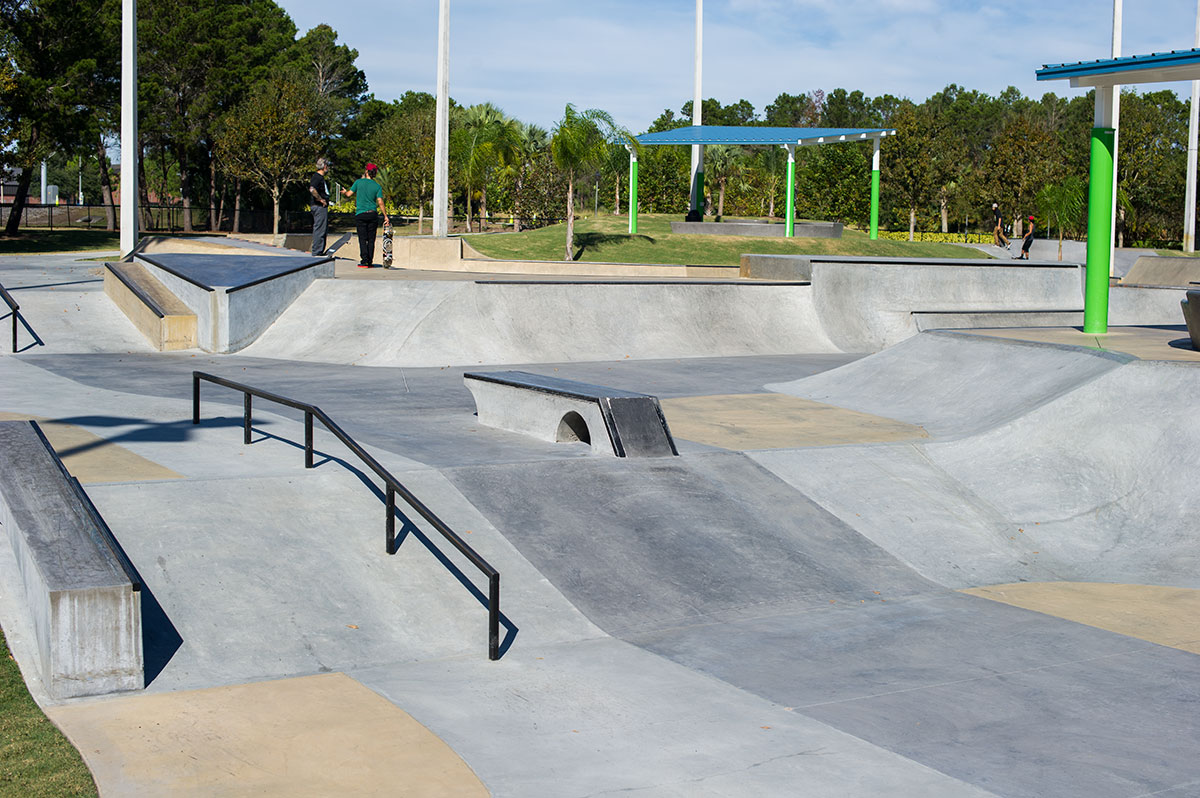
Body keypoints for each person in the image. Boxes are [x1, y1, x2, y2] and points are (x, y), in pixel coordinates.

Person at [341, 163, 387, 268]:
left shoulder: (358, 182)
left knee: (362, 238)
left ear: (366, 171)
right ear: (374, 174)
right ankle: (370, 261)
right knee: (371, 239)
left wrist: (344, 192)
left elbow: (349, 194)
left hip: (361, 214)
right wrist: (385, 216)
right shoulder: (377, 186)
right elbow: (380, 202)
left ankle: (364, 260)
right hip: (372, 214)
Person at [309, 157, 331, 256]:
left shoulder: (320, 178)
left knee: (322, 228)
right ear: (324, 166)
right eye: (327, 166)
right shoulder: (317, 177)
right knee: (320, 229)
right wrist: (320, 199)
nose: (328, 168)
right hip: (319, 207)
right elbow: (312, 189)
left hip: (319, 206)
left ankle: (319, 250)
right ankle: (317, 251)